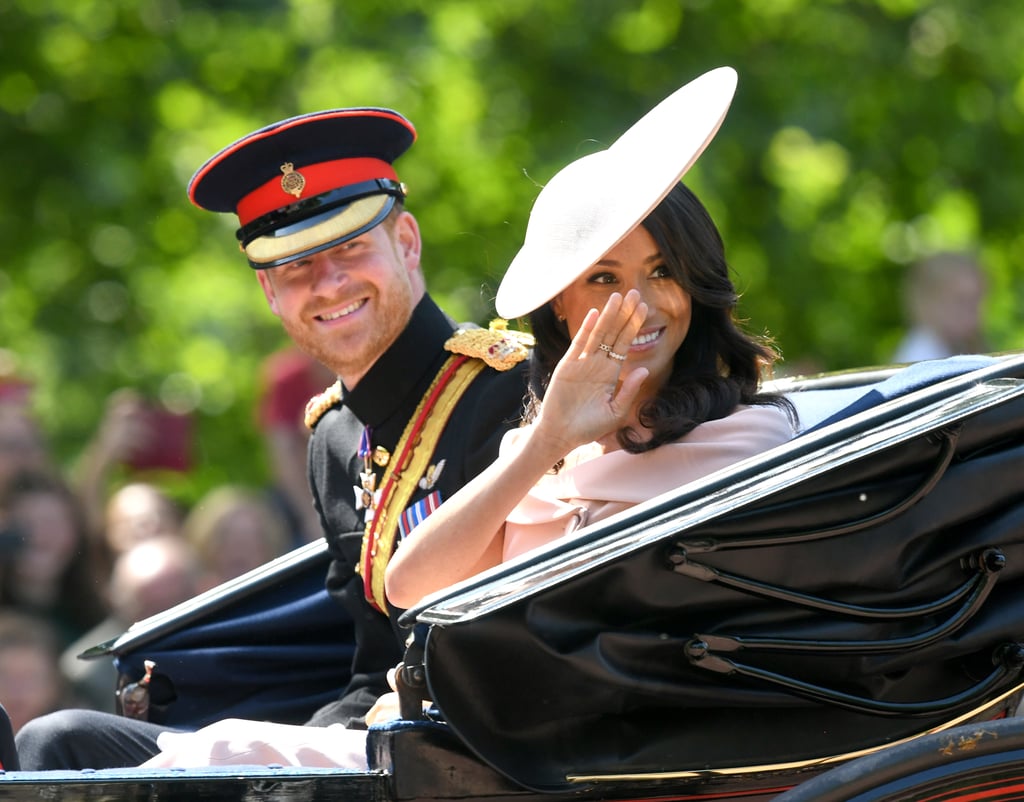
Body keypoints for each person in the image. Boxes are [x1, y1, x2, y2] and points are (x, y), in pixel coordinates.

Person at [129, 66, 796, 770]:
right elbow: (404, 595)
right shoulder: (538, 445)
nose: (639, 304)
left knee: (213, 757)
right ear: (560, 306)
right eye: (603, 278)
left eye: (663, 272)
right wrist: (548, 440)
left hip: (572, 752)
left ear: (407, 243)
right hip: (482, 746)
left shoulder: (727, 435)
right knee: (85, 747)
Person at [15, 105, 529, 769]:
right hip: (377, 740)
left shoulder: (514, 387)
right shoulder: (331, 434)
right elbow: (369, 665)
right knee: (57, 743)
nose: (329, 283)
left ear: (406, 242)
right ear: (267, 291)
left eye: (349, 248)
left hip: (482, 745)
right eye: (295, 268)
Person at [60, 535, 203, 713]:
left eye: (174, 604)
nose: (162, 619)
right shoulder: (88, 674)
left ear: (202, 591)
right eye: (148, 608)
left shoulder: (229, 647)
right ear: (118, 603)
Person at [183, 484, 291, 591]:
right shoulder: (188, 602)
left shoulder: (285, 595)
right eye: (225, 537)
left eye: (249, 540)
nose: (238, 548)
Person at [892, 251, 989, 363]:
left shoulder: (960, 345)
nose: (972, 311)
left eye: (976, 300)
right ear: (929, 302)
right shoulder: (920, 355)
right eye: (960, 301)